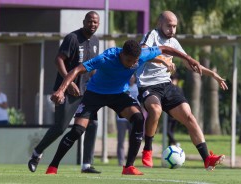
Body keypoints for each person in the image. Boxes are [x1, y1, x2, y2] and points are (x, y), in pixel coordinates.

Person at [46, 39, 202, 175]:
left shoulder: (140, 55)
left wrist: (189, 58)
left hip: (118, 93)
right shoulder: (107, 57)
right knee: (77, 130)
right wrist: (61, 90)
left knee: (139, 118)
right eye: (129, 61)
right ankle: (53, 166)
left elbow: (165, 49)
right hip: (95, 93)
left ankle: (129, 167)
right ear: (122, 55)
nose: (133, 64)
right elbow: (77, 70)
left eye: (136, 61)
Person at [137, 11, 228, 171]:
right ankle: (148, 149)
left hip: (166, 85)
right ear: (160, 24)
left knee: (189, 117)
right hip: (148, 85)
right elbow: (142, 53)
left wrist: (212, 74)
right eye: (169, 26)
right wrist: (163, 60)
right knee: (155, 110)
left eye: (174, 26)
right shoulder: (152, 35)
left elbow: (189, 63)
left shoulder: (173, 42)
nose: (172, 29)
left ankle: (207, 158)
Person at [28, 11, 101, 174]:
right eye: (90, 21)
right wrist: (67, 85)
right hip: (68, 92)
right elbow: (58, 60)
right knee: (60, 127)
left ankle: (86, 164)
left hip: (87, 92)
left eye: (95, 22)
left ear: (99, 24)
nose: (92, 24)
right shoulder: (72, 38)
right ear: (84, 21)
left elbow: (93, 66)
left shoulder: (96, 41)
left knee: (93, 124)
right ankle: (36, 153)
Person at [116, 74, 138, 166]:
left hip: (132, 118)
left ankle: (130, 161)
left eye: (132, 77)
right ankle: (121, 161)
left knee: (132, 140)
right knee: (121, 141)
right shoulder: (121, 87)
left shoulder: (137, 88)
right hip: (121, 119)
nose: (131, 78)